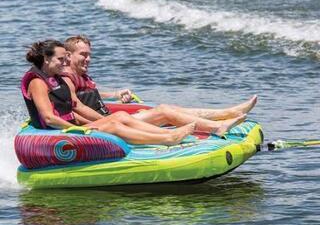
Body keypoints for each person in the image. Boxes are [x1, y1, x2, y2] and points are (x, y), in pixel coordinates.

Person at [62, 35, 251, 134]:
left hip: (111, 117)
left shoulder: (79, 75)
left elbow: (89, 93)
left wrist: (115, 94)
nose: (88, 59)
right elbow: (75, 107)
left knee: (169, 107)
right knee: (163, 112)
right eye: (83, 55)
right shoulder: (67, 79)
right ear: (69, 55)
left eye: (89, 54)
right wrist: (104, 120)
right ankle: (216, 128)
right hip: (109, 122)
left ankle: (228, 113)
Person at [21, 39, 196, 145]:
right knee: (113, 125)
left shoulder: (54, 77)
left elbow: (74, 107)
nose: (64, 62)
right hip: (55, 133)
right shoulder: (37, 82)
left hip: (68, 126)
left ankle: (169, 133)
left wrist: (103, 119)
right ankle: (167, 139)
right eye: (60, 59)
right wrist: (76, 129)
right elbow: (49, 118)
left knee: (118, 116)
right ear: (46, 59)